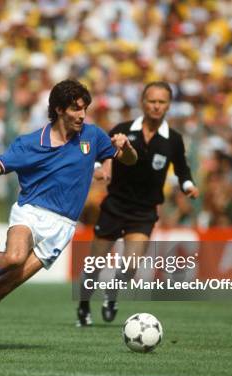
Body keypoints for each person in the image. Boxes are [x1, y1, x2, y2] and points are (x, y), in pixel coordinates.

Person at [0, 79, 138, 349]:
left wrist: (127, 148)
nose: (82, 115)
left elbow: (128, 160)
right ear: (59, 109)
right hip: (31, 213)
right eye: (76, 108)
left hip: (62, 227)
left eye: (85, 108)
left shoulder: (92, 136)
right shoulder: (30, 143)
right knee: (14, 257)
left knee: (3, 288)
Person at [76, 81, 199, 327]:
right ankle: (83, 305)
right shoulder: (122, 129)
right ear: (142, 103)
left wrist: (188, 186)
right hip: (114, 206)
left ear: (168, 105)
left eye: (161, 102)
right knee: (94, 266)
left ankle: (111, 295)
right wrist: (102, 168)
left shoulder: (173, 139)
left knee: (130, 267)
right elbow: (100, 154)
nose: (156, 106)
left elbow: (183, 170)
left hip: (144, 212)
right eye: (152, 101)